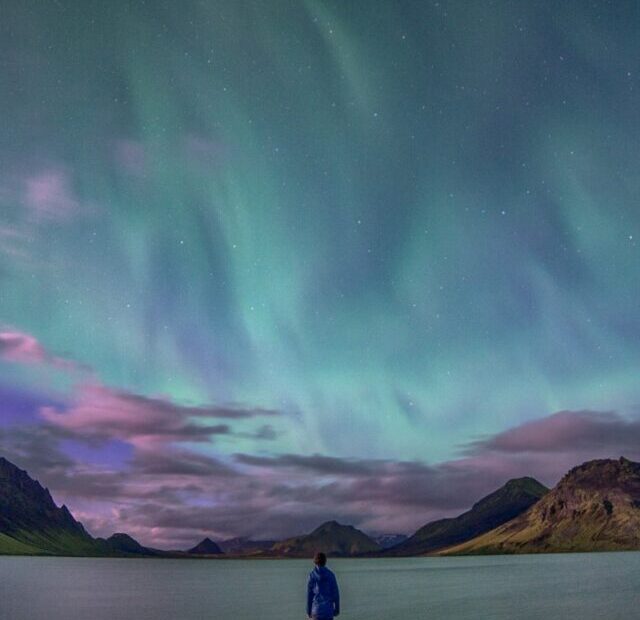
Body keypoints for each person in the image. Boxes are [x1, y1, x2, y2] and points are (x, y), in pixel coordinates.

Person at [306, 551, 340, 619]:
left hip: (316, 611)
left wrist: (308, 611)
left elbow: (309, 596)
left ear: (315, 561)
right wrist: (337, 610)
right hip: (328, 611)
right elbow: (336, 594)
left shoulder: (311, 576)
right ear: (325, 561)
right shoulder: (331, 575)